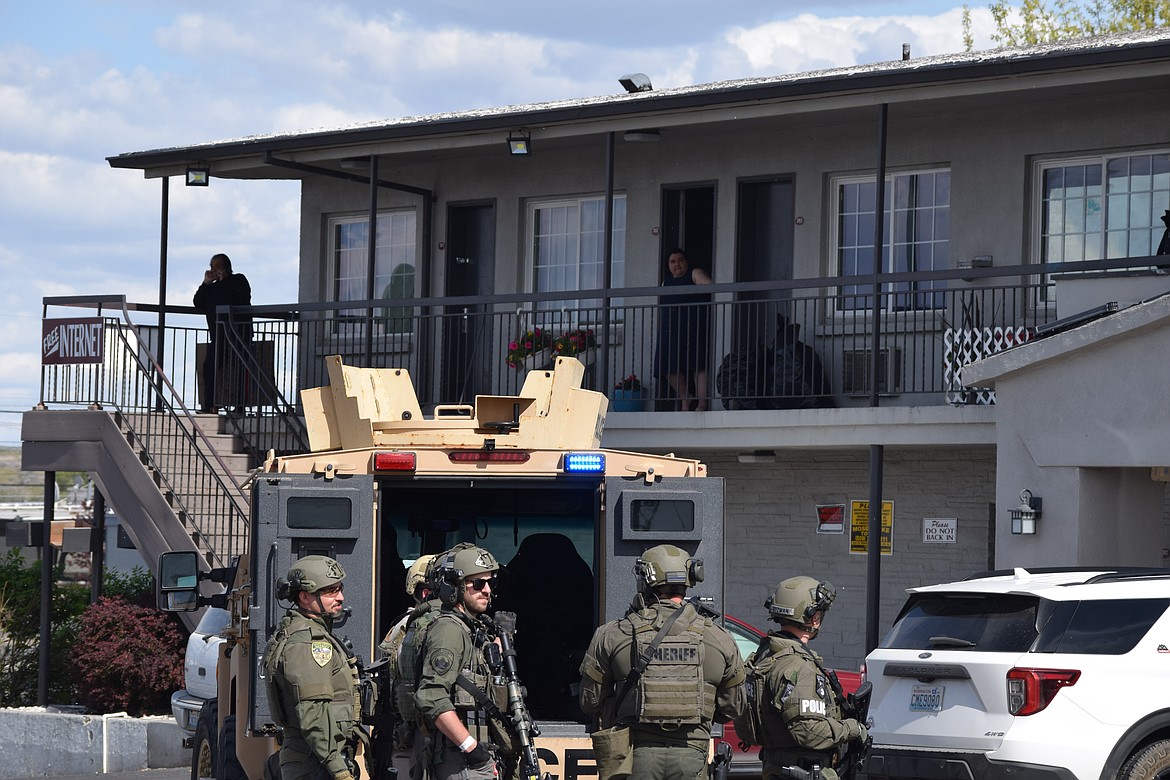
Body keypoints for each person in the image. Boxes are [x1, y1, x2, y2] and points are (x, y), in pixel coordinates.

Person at [579, 544, 746, 780]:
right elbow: (733, 708)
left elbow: (590, 701)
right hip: (693, 754)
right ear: (690, 578)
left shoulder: (612, 634)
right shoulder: (720, 638)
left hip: (633, 756)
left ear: (645, 580)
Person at [747, 576, 867, 780]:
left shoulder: (764, 656)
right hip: (804, 770)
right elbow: (808, 731)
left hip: (777, 767)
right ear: (813, 617)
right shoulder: (798, 667)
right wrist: (852, 729)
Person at [414, 543, 510, 780]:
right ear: (455, 588)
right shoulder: (449, 631)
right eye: (478, 584)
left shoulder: (474, 629)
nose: (487, 590)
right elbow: (431, 696)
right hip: (460, 761)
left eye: (490, 583)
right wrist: (473, 750)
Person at [263, 555, 363, 780]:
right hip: (314, 762)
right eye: (331, 591)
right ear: (305, 597)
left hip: (317, 758)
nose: (341, 597)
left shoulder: (307, 634)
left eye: (340, 589)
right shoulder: (307, 642)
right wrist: (338, 769)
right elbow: (313, 714)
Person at [378, 554, 440, 780]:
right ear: (426, 593)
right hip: (416, 738)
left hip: (406, 736)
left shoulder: (402, 624)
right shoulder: (416, 629)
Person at [193, 252, 252, 413]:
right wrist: (205, 283)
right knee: (209, 368)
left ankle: (239, 407)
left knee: (239, 370)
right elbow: (198, 302)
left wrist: (224, 279)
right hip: (219, 336)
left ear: (226, 267)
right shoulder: (211, 288)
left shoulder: (238, 280)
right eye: (212, 266)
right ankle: (210, 405)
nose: (213, 269)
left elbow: (240, 297)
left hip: (239, 334)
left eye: (217, 266)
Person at [654, 248, 713, 411]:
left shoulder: (694, 273)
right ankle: (685, 398)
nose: (677, 264)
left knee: (698, 364)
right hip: (670, 328)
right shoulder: (666, 282)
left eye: (680, 260)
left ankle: (702, 403)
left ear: (686, 262)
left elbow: (709, 285)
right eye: (672, 261)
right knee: (667, 365)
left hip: (692, 325)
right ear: (668, 265)